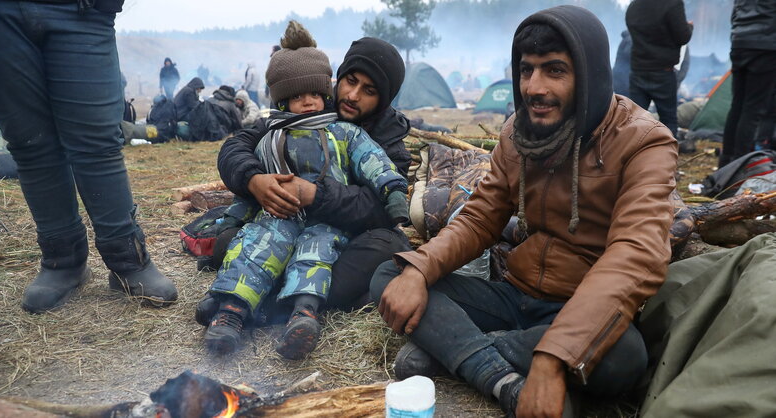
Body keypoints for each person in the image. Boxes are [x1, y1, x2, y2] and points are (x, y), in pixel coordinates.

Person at [370, 6, 677, 417]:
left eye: (554, 70)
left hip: (578, 303)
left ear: (590, 76)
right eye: (526, 70)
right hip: (514, 294)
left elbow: (636, 253)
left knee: (624, 356)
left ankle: (459, 352)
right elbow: (480, 217)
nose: (534, 87)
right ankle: (504, 379)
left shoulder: (643, 142)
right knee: (393, 275)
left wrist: (553, 355)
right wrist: (422, 269)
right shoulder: (519, 133)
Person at [0, 0, 178, 314]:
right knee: (30, 140)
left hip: (79, 9)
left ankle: (128, 261)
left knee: (98, 141)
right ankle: (63, 261)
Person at [202, 21, 409, 360]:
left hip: (340, 233)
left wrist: (315, 194)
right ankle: (254, 300)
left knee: (387, 248)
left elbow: (379, 208)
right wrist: (256, 181)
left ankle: (245, 304)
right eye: (351, 82)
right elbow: (236, 147)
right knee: (230, 241)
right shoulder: (301, 109)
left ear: (383, 100)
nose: (354, 95)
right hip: (281, 222)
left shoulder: (389, 141)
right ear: (337, 78)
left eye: (369, 91)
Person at [719, 0, 776, 167]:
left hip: (740, 43)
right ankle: (739, 167)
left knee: (737, 105)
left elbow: (735, 14)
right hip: (766, 47)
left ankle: (725, 163)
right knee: (753, 109)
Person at [626, 0, 693, 138]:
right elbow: (683, 36)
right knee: (668, 121)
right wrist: (689, 27)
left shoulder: (634, 5)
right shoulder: (672, 3)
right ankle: (667, 158)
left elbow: (632, 28)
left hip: (638, 70)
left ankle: (634, 157)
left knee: (635, 121)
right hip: (663, 72)